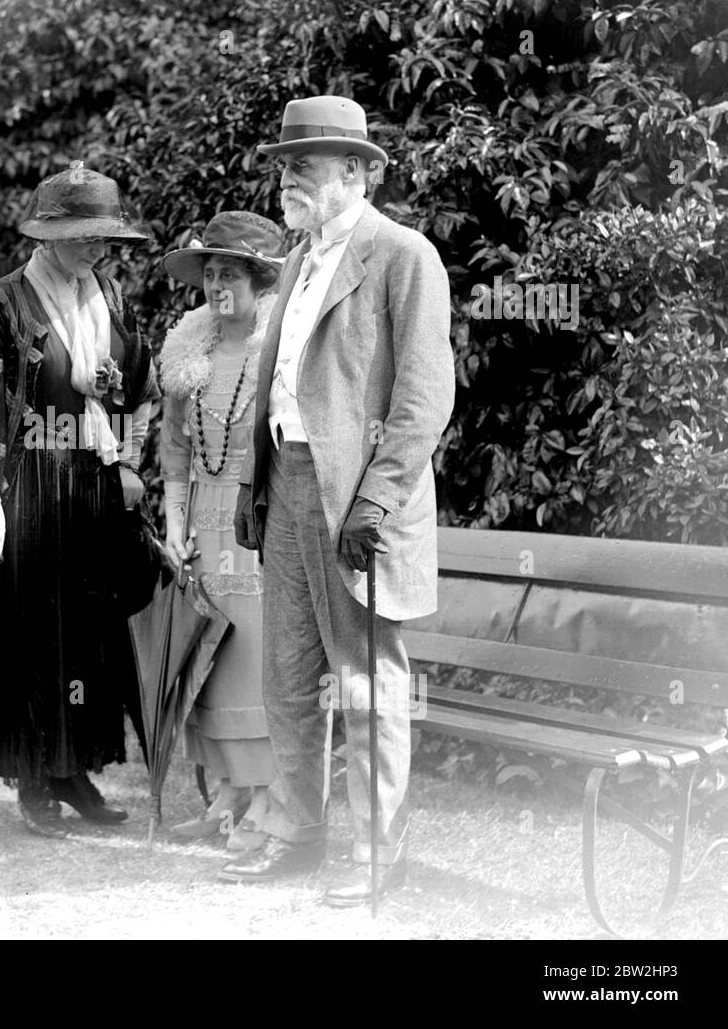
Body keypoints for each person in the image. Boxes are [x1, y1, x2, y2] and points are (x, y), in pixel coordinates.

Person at [227, 96, 454, 904]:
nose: (288, 177)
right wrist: (257, 484)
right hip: (288, 485)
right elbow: (279, 384)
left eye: (306, 164)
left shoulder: (403, 255)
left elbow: (426, 397)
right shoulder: (293, 261)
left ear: (355, 172)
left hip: (358, 500)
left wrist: (376, 504)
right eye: (285, 163)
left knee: (365, 680)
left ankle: (372, 850)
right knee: (287, 676)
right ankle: (296, 832)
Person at [0, 166, 159, 837]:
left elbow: (139, 390)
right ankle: (33, 777)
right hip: (27, 485)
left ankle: (75, 771)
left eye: (105, 238)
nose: (98, 250)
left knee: (87, 639)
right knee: (30, 635)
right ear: (51, 235)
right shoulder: (4, 303)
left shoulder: (110, 296)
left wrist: (120, 429)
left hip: (90, 485)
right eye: (84, 237)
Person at [158, 211, 283, 853]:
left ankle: (266, 800)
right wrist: (175, 524)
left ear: (260, 281)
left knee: (257, 658)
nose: (216, 284)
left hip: (258, 523)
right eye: (209, 273)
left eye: (229, 272)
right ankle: (229, 793)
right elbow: (175, 450)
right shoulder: (189, 355)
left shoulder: (280, 355)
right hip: (205, 525)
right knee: (211, 656)